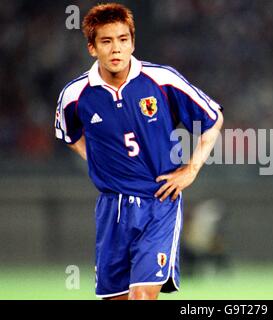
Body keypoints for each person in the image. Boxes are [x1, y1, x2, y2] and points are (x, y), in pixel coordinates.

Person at [54, 3, 223, 300]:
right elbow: (68, 135)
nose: (116, 49)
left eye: (122, 39)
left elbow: (213, 119)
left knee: (142, 296)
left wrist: (191, 170)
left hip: (159, 203)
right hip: (111, 209)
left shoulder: (162, 80)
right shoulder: (75, 95)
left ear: (132, 42)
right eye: (106, 41)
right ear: (92, 48)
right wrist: (98, 160)